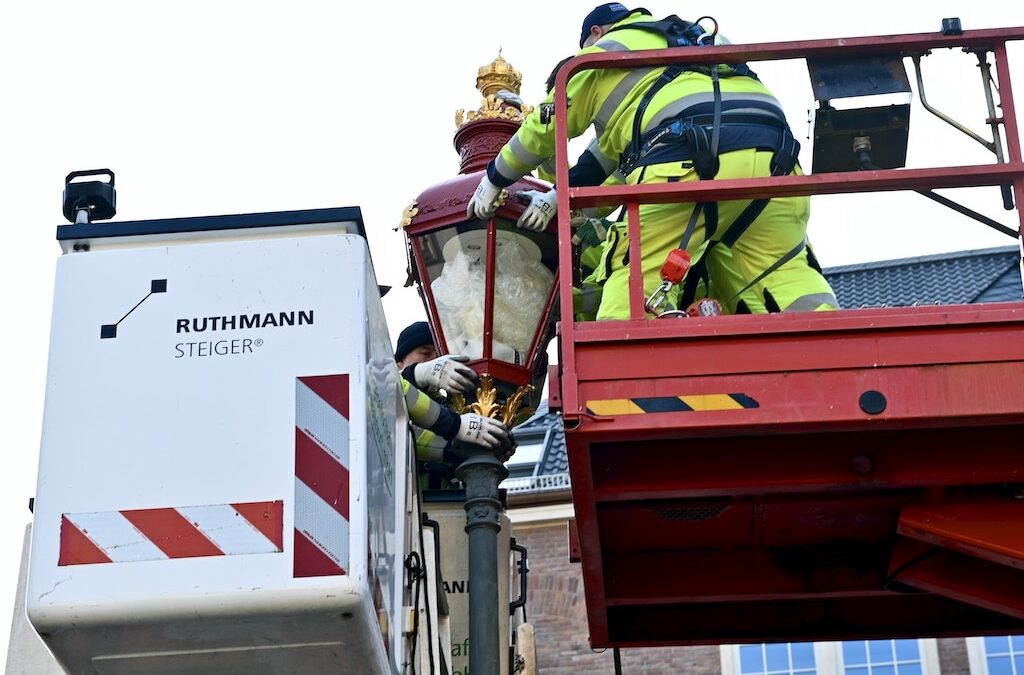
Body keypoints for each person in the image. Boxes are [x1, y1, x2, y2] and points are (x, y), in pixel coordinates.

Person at [468, 3, 838, 318]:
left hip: (686, 153)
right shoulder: (683, 43)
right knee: (784, 270)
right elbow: (602, 164)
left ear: (594, 33)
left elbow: (546, 127)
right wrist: (556, 198)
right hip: (776, 156)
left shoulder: (603, 53)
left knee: (634, 274)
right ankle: (838, 355)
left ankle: (620, 382)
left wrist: (495, 177)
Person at [394, 322, 512, 487]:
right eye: (426, 353)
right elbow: (393, 395)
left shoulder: (448, 404)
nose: (435, 360)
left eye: (439, 354)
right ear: (398, 363)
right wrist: (418, 373)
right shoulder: (381, 388)